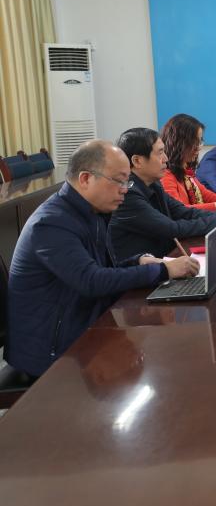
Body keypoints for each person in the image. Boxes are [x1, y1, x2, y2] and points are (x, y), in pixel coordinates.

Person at [3, 140, 199, 378]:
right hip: (50, 353)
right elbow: (92, 281)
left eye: (127, 181)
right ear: (85, 179)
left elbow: (100, 270)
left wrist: (139, 261)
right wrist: (164, 271)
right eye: (119, 181)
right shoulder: (51, 223)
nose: (125, 189)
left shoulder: (92, 211)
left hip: (82, 327)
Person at [110, 128, 216, 259]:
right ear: (137, 161)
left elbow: (184, 212)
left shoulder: (153, 184)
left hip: (165, 260)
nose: (166, 158)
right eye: (160, 153)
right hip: (144, 268)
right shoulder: (127, 195)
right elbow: (171, 229)